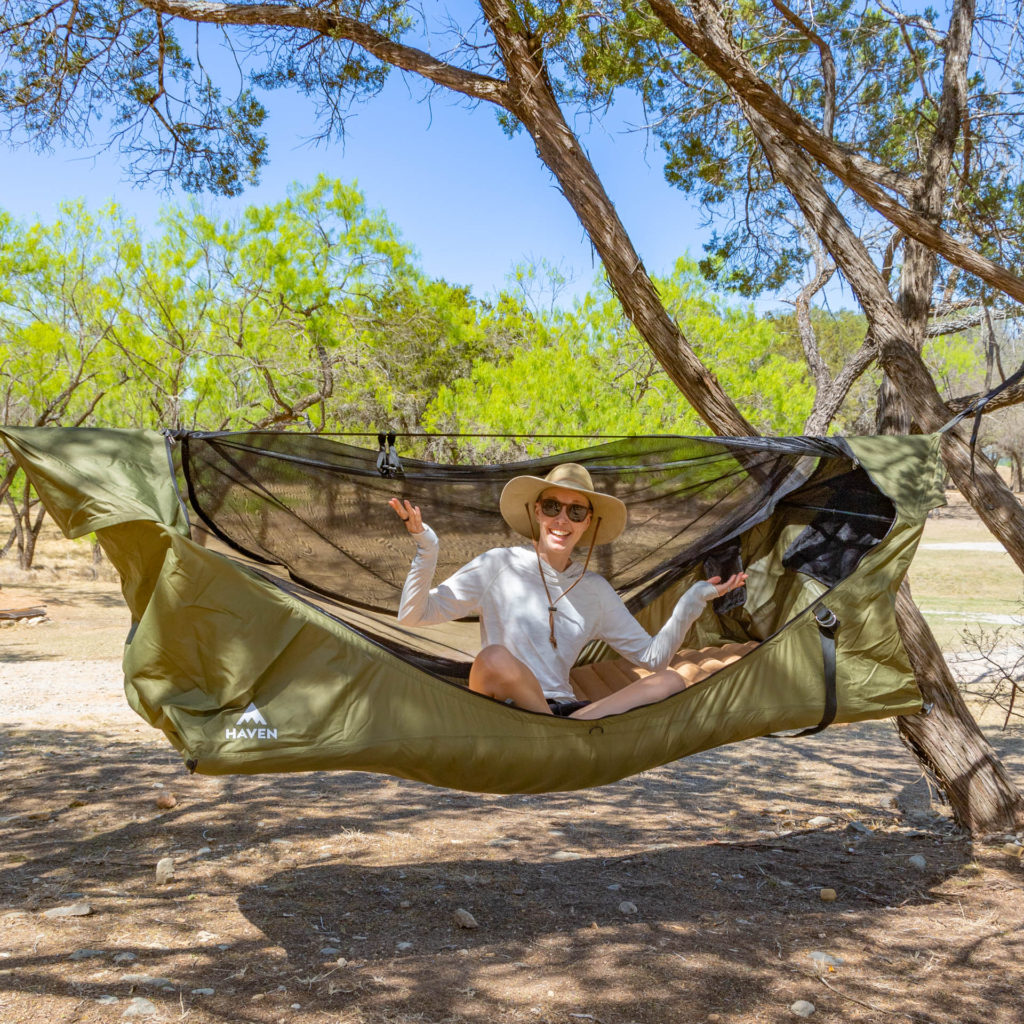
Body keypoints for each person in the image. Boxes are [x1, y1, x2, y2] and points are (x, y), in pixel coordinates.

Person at [388, 462, 752, 720]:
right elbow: (413, 615)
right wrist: (426, 548)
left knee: (670, 680)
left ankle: (565, 730)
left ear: (587, 523)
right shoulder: (498, 564)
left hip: (569, 710)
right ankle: (553, 728)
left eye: (576, 512)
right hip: (504, 711)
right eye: (552, 507)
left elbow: (653, 659)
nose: (562, 520)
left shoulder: (594, 590)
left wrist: (690, 603)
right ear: (537, 512)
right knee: (493, 658)